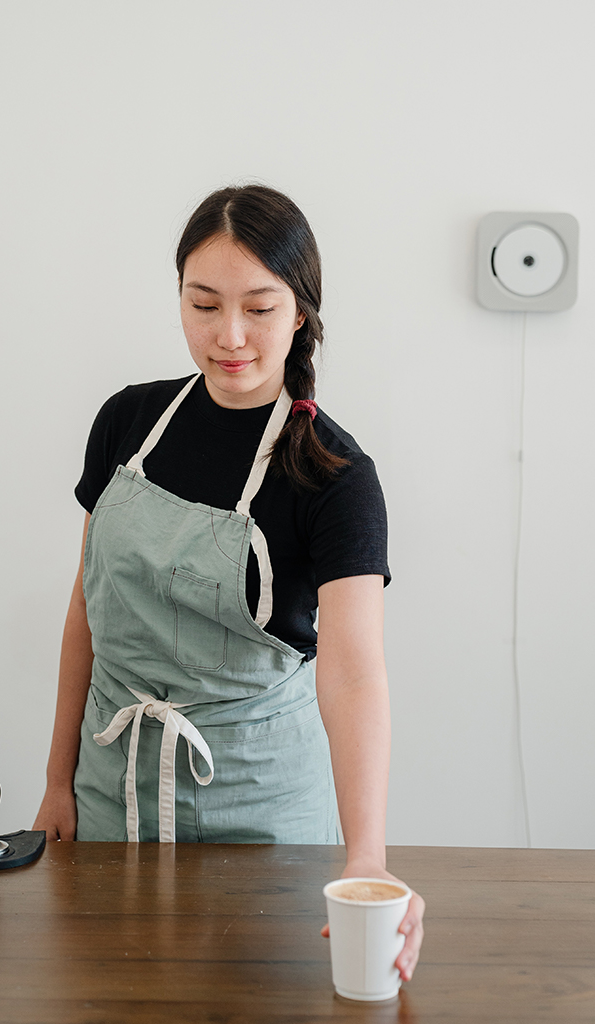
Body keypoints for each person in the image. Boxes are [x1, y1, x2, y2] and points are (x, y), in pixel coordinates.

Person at [33, 183, 425, 980]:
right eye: (203, 304)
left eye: (260, 307)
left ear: (302, 313)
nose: (230, 335)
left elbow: (353, 675)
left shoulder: (336, 479)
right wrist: (56, 781)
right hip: (113, 796)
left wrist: (368, 856)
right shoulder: (127, 422)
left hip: (260, 816)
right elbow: (88, 607)